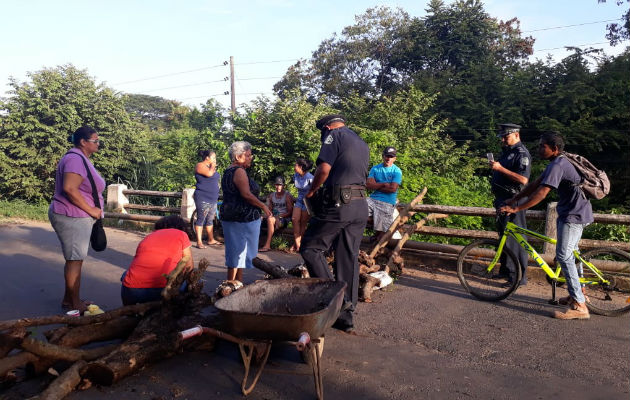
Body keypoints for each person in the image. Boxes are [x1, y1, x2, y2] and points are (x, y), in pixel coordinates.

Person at [501, 131, 593, 320]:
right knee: (572, 253)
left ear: (555, 149)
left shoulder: (559, 164)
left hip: (574, 216)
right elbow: (535, 184)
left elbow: (542, 193)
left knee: (563, 256)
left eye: (543, 146)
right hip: (571, 212)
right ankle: (579, 292)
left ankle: (580, 306)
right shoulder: (556, 163)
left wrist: (517, 209)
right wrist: (515, 199)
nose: (539, 148)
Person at [300, 114, 369, 333]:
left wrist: (312, 191)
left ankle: (334, 298)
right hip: (360, 206)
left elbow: (323, 169)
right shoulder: (361, 143)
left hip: (339, 204)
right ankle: (346, 316)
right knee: (347, 256)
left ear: (327, 127)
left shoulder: (333, 136)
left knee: (311, 248)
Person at [49, 126, 105, 313]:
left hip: (76, 215)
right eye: (95, 141)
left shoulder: (80, 158)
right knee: (75, 260)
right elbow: (70, 188)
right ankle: (74, 304)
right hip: (71, 215)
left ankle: (69, 299)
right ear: (83, 142)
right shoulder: (74, 159)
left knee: (75, 259)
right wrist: (91, 209)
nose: (98, 144)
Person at [220, 141, 271, 281]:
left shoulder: (229, 170)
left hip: (234, 216)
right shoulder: (239, 171)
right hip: (240, 218)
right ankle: (230, 284)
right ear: (238, 157)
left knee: (238, 252)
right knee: (236, 252)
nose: (250, 158)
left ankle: (238, 282)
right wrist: (263, 206)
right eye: (248, 155)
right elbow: (246, 195)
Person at [490, 123, 532, 286]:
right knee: (504, 237)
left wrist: (500, 169)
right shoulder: (508, 152)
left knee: (516, 238)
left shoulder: (522, 154)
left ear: (516, 135)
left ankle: (518, 276)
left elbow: (523, 179)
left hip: (514, 199)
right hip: (502, 199)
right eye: (502, 137)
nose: (503, 140)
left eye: (506, 136)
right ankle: (506, 271)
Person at [120, 216, 193, 305]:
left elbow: (136, 263)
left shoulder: (148, 237)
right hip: (164, 289)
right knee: (190, 280)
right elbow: (189, 267)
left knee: (126, 274)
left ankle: (128, 311)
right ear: (182, 227)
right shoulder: (182, 234)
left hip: (132, 291)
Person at [366, 146, 403, 243]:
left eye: (391, 156)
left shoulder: (397, 171)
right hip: (372, 199)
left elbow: (392, 189)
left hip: (387, 202)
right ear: (383, 156)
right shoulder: (375, 168)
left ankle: (377, 239)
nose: (388, 158)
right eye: (387, 156)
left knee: (381, 236)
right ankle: (375, 224)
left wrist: (376, 185)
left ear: (395, 158)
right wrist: (383, 184)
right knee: (356, 209)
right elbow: (368, 185)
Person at [193, 149, 221, 248]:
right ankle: (199, 242)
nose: (215, 160)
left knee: (210, 219)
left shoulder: (210, 167)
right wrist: (213, 166)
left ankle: (211, 239)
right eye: (213, 157)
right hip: (203, 196)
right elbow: (209, 174)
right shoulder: (200, 165)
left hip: (212, 197)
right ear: (207, 158)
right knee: (201, 218)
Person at [260, 176, 294, 252]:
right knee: (259, 218)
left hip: (283, 219)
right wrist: (265, 215)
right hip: (273, 218)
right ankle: (254, 242)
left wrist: (278, 217)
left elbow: (290, 212)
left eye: (280, 185)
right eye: (277, 185)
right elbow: (270, 210)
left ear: (283, 186)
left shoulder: (287, 196)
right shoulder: (272, 195)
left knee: (270, 219)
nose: (278, 187)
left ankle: (267, 245)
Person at [291, 157, 314, 252]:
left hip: (308, 200)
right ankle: (298, 244)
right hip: (300, 199)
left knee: (303, 223)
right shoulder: (295, 175)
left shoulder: (310, 178)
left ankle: (298, 245)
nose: (294, 166)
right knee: (295, 219)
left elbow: (314, 190)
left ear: (300, 167)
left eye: (296, 164)